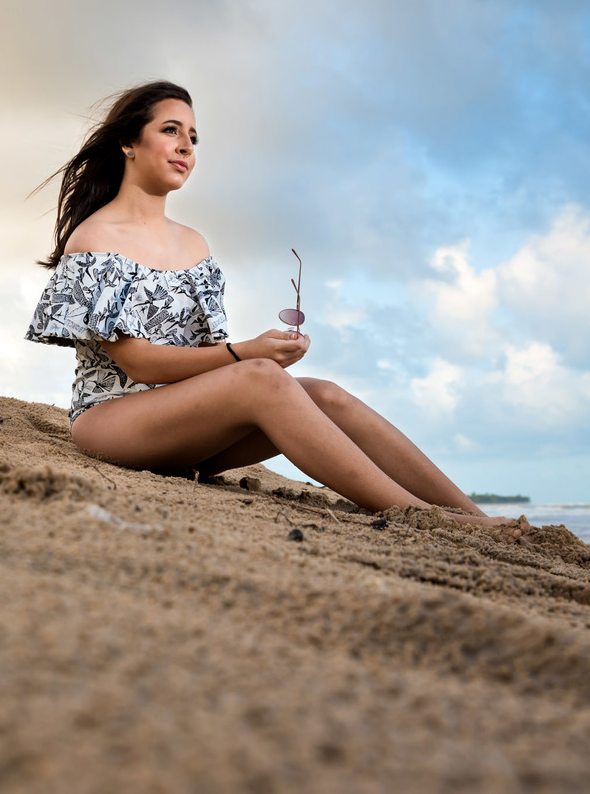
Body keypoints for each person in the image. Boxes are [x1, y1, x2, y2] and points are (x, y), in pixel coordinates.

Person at [26, 80, 527, 536]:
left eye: (194, 138)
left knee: (324, 394)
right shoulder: (95, 239)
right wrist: (246, 353)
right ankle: (426, 518)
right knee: (261, 377)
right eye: (171, 130)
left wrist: (259, 355)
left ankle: (474, 515)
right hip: (113, 424)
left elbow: (205, 361)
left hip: (183, 433)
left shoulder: (196, 246)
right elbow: (140, 363)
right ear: (129, 142)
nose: (185, 146)